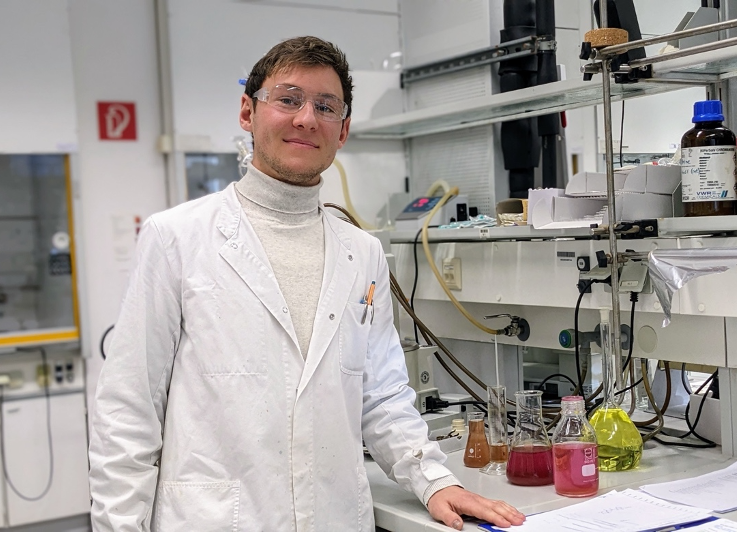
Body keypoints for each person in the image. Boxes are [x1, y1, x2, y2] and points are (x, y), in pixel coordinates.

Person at [88, 36, 526, 532]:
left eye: (325, 106)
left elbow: (381, 395)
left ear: (343, 131)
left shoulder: (361, 252)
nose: (305, 119)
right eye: (288, 99)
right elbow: (128, 409)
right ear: (248, 112)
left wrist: (434, 480)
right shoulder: (177, 237)